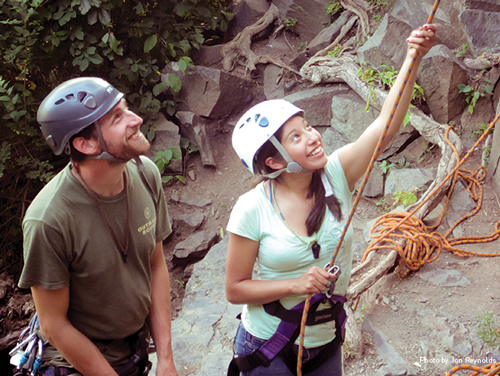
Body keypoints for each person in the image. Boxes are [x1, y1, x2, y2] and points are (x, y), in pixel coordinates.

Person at [225, 24, 437, 375]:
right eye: (296, 136)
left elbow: (387, 125)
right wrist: (296, 284)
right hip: (268, 345)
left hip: (325, 342)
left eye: (307, 126)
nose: (312, 137)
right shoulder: (252, 209)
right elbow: (235, 288)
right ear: (274, 162)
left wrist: (413, 57)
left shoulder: (336, 174)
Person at [18, 77, 178, 376]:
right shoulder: (49, 219)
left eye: (126, 108)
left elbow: (155, 266)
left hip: (133, 350)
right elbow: (53, 325)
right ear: (86, 143)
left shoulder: (146, 175)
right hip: (76, 363)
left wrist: (166, 360)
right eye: (117, 117)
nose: (136, 119)